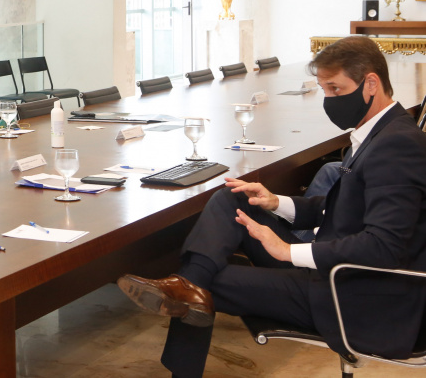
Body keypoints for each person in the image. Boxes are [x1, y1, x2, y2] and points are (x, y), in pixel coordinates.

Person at [117, 35, 426, 377]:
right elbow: (345, 208)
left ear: (371, 83)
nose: (329, 100)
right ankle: (186, 284)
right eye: (324, 90)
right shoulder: (378, 132)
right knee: (234, 198)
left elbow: (383, 246)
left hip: (355, 295)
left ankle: (187, 294)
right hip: (334, 269)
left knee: (208, 283)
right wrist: (278, 203)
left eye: (335, 90)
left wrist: (287, 252)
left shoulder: (396, 146)